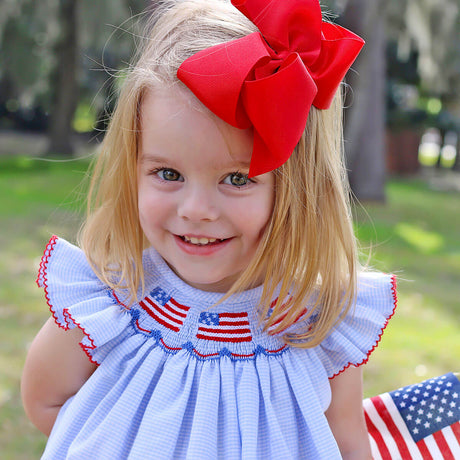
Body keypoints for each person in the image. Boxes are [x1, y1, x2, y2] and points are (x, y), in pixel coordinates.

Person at [21, 0, 397, 458]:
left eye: (236, 179)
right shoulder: (113, 299)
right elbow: (46, 400)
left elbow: (347, 446)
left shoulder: (314, 321)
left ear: (299, 190)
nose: (196, 209)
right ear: (133, 167)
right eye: (168, 174)